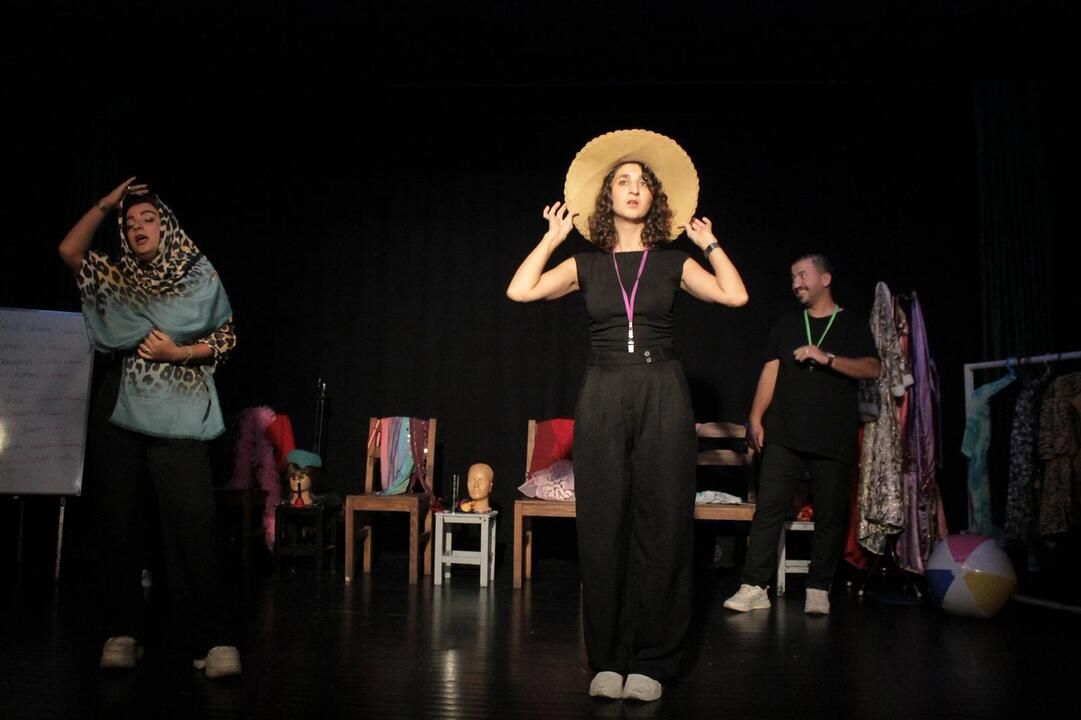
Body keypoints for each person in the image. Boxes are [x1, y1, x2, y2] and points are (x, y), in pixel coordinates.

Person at [507, 129, 748, 702]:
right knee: (603, 525)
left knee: (663, 524)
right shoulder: (585, 265)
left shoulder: (673, 262)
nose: (634, 188)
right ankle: (608, 658)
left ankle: (653, 661)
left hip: (663, 388)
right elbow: (521, 290)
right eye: (622, 180)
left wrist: (710, 243)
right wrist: (552, 237)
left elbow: (735, 296)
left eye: (642, 182)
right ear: (608, 196)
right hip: (604, 389)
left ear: (654, 198)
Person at [58, 177, 242, 678]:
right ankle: (122, 631)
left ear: (167, 226)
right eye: (130, 222)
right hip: (119, 403)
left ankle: (212, 639)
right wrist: (106, 203)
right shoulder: (115, 276)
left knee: (193, 522)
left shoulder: (197, 273)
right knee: (117, 520)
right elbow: (69, 251)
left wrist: (177, 352)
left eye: (149, 218)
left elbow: (226, 338)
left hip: (178, 404)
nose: (139, 227)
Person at [723, 253, 880, 616]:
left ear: (825, 279)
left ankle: (819, 587)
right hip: (785, 432)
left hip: (833, 436)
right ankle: (754, 586)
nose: (796, 284)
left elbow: (873, 368)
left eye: (803, 275)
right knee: (768, 510)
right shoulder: (787, 323)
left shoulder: (851, 324)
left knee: (830, 515)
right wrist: (755, 416)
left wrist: (827, 358)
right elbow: (771, 371)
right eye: (793, 277)